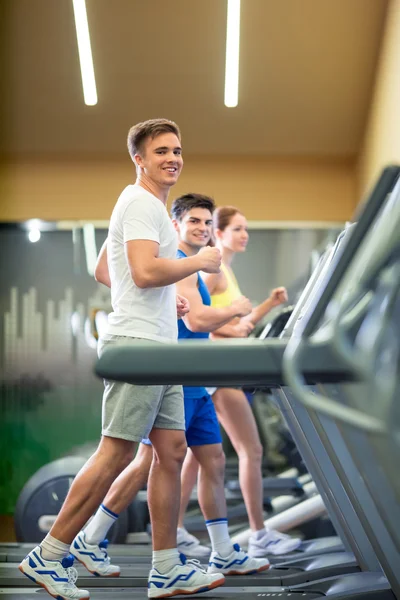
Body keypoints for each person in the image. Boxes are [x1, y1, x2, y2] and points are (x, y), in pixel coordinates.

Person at [19, 119, 224, 600]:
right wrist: (194, 264)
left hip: (162, 346)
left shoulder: (148, 207)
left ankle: (166, 567)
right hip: (140, 346)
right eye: (161, 151)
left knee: (172, 451)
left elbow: (105, 268)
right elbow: (144, 268)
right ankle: (48, 555)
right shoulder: (138, 202)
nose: (172, 157)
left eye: (177, 149)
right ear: (140, 159)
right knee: (118, 451)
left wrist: (159, 296)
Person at [72, 194, 271, 585]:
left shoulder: (184, 267)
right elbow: (197, 321)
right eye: (194, 222)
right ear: (175, 225)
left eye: (207, 223)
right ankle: (90, 538)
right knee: (143, 462)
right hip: (175, 376)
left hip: (195, 380)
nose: (202, 229)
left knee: (212, 460)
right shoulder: (174, 261)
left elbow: (106, 271)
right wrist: (235, 308)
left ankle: (222, 551)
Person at [177, 206, 302, 558]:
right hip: (219, 370)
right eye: (238, 229)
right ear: (220, 233)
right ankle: (258, 532)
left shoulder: (226, 271)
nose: (244, 235)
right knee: (251, 450)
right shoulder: (214, 273)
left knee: (194, 456)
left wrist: (268, 305)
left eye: (247, 229)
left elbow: (240, 323)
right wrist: (231, 325)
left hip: (221, 368)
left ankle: (174, 527)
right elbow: (202, 320)